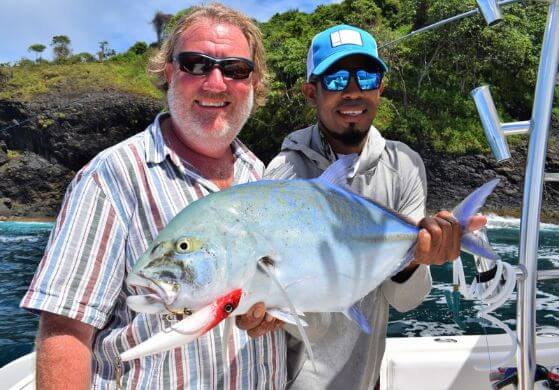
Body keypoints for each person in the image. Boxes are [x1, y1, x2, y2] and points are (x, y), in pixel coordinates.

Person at [20, 4, 285, 389]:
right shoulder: (112, 176)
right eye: (196, 64)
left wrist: (272, 310)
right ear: (169, 71)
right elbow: (65, 330)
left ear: (254, 82)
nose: (215, 82)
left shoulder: (264, 178)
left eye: (235, 69)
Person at [241, 24, 486, 389]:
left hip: (366, 377)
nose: (353, 91)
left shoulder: (404, 166)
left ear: (381, 87)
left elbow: (405, 300)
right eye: (337, 79)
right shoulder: (284, 172)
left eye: (367, 77)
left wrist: (417, 256)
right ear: (311, 92)